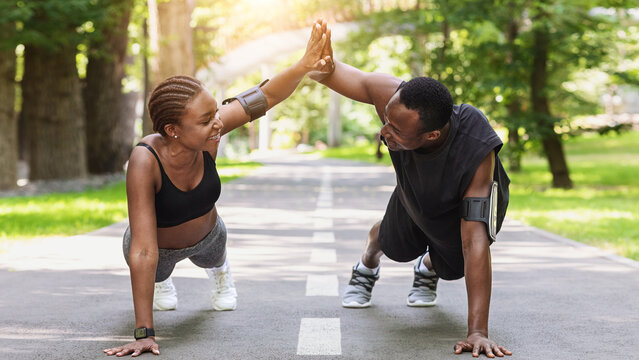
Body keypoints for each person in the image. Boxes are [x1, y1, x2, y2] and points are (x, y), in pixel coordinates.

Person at [104, 20, 331, 357]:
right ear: (173, 129)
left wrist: (303, 65)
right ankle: (162, 282)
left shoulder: (211, 131)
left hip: (209, 237)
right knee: (155, 270)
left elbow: (266, 95)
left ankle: (220, 272)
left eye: (215, 112)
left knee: (215, 252)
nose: (219, 122)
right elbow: (142, 250)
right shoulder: (145, 159)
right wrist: (144, 333)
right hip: (158, 251)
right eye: (206, 119)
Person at [310, 28, 512, 358]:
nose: (383, 132)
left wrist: (477, 331)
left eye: (396, 130)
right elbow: (344, 75)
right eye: (386, 119)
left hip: (460, 208)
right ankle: (367, 264)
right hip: (415, 195)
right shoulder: (395, 98)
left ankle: (428, 267)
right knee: (394, 245)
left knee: (456, 267)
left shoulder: (475, 147)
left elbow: (474, 238)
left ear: (432, 135)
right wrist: (318, 65)